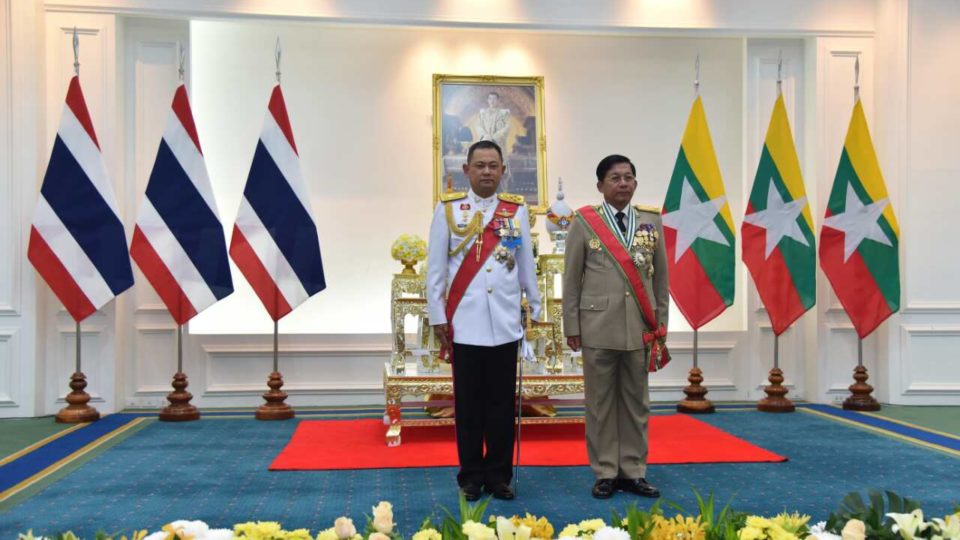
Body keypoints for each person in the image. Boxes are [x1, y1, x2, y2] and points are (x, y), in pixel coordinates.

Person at [427, 140, 542, 501]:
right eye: (480, 165)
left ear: (503, 170)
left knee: (501, 406)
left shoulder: (516, 211)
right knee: (469, 407)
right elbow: (436, 270)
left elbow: (525, 264)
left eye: (493, 165)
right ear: (466, 170)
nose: (487, 172)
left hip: (505, 323)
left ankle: (499, 476)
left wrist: (535, 307)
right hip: (465, 323)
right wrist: (437, 316)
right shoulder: (448, 210)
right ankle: (471, 477)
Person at [562, 154, 670, 500]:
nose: (623, 183)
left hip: (640, 326)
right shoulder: (584, 222)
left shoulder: (651, 221)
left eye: (628, 177)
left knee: (637, 403)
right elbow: (571, 280)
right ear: (600, 185)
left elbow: (661, 279)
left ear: (635, 183)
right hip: (597, 326)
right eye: (615, 178)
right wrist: (571, 325)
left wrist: (661, 324)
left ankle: (634, 471)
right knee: (600, 404)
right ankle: (606, 471)